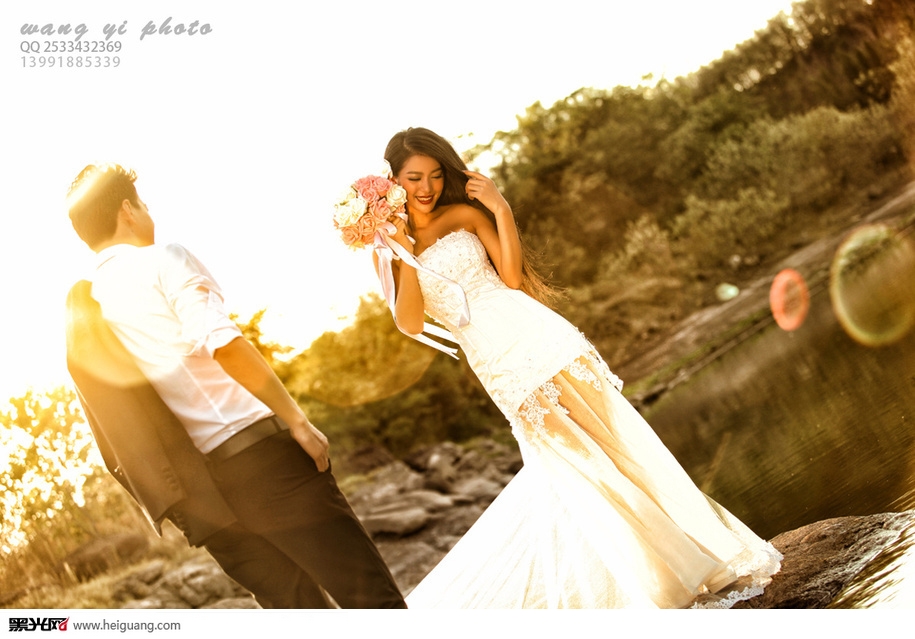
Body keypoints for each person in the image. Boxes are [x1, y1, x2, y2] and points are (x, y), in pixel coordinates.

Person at [376, 127, 782, 609]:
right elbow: (410, 323)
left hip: (541, 335)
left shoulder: (463, 214)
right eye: (414, 178)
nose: (427, 187)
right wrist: (402, 250)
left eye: (436, 175)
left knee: (617, 448)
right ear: (392, 181)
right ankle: (670, 577)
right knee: (583, 469)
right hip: (498, 365)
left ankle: (696, 561)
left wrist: (500, 208)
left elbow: (511, 278)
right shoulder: (389, 251)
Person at [64, 163, 405, 609]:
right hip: (266, 462)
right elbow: (222, 342)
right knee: (371, 600)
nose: (148, 213)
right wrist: (297, 421)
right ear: (127, 210)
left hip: (207, 502)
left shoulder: (90, 309)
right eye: (143, 204)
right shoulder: (162, 259)